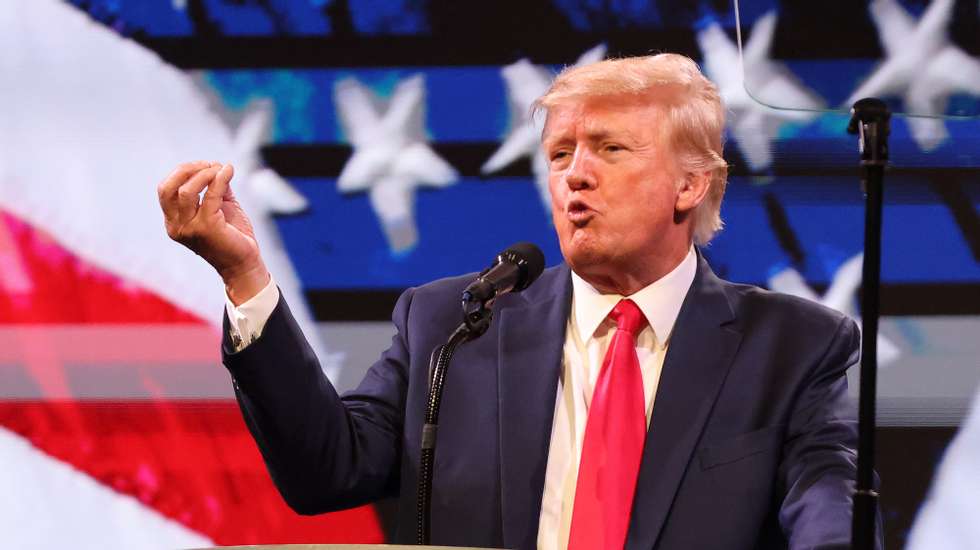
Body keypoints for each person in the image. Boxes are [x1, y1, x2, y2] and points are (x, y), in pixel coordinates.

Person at [158, 54, 879, 549]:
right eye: (561, 154)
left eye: (610, 150)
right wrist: (245, 278)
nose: (575, 177)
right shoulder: (455, 328)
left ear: (691, 184)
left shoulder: (791, 346)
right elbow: (327, 470)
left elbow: (830, 502)